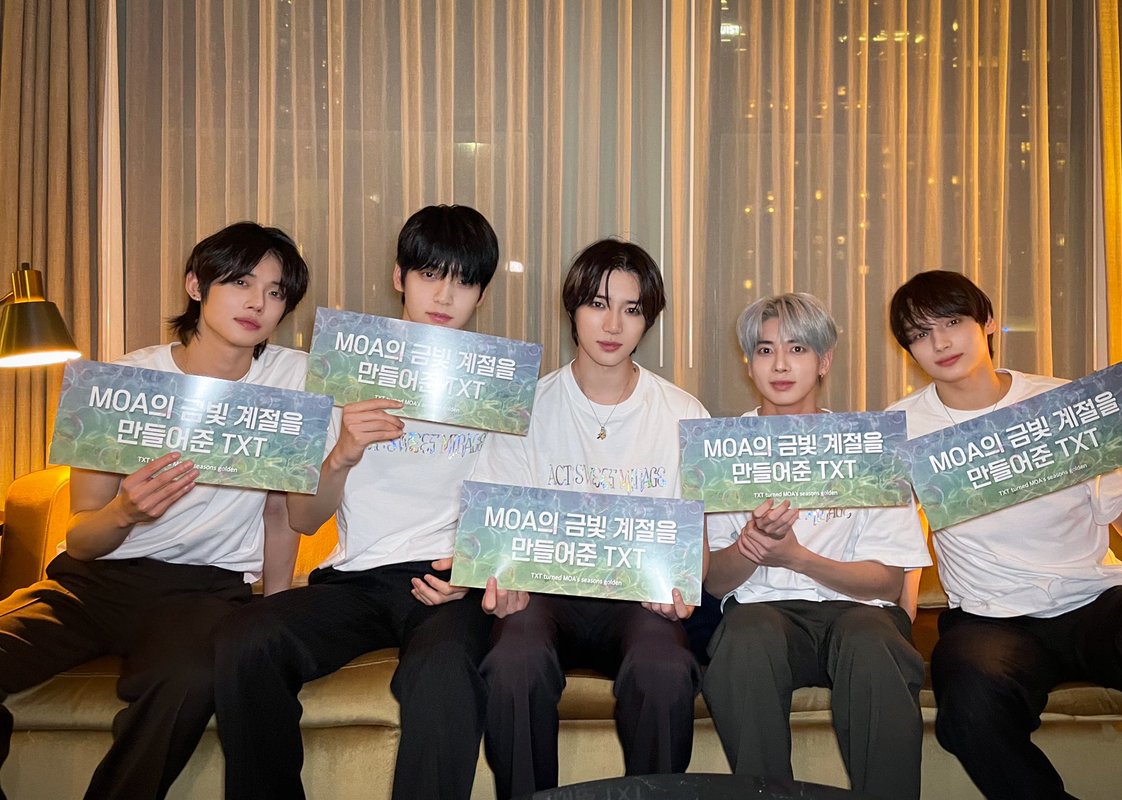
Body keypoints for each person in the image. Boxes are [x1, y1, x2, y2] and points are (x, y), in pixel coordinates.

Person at [0, 222, 310, 800]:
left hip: (202, 592)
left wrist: (272, 611)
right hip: (92, 582)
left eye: (275, 292)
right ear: (196, 285)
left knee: (189, 680)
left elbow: (280, 515)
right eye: (240, 282)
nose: (257, 303)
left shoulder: (293, 382)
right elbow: (81, 537)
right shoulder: (122, 381)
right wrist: (125, 512)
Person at [212, 205, 500, 800]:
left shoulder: (496, 385)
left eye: (464, 281)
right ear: (399, 277)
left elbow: (513, 504)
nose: (445, 296)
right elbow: (304, 518)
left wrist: (475, 571)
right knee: (247, 639)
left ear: (482, 293)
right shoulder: (348, 370)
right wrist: (342, 452)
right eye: (429, 275)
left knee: (443, 672)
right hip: (358, 578)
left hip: (448, 580)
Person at [887, 269, 1122, 799]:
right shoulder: (902, 429)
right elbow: (894, 541)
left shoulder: (1064, 405)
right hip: (991, 616)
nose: (939, 343)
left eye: (952, 322)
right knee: (968, 700)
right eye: (920, 334)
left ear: (988, 321)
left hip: (1094, 601)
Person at [472, 238, 709, 799]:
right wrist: (498, 582)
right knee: (514, 662)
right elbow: (497, 529)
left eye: (632, 309)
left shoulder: (682, 413)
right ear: (572, 308)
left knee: (664, 669)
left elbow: (694, 543)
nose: (612, 324)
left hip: (638, 602)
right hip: (543, 596)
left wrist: (682, 587)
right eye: (598, 304)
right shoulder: (527, 406)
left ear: (648, 320)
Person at [702, 292, 929, 799]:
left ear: (824, 361)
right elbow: (715, 582)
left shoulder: (868, 446)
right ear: (749, 363)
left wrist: (797, 557)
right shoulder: (722, 450)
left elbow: (887, 583)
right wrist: (753, 544)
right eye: (765, 350)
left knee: (873, 641)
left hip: (859, 611)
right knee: (745, 637)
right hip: (763, 613)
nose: (780, 365)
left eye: (798, 349)